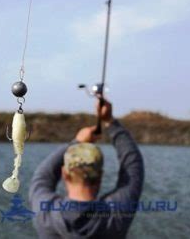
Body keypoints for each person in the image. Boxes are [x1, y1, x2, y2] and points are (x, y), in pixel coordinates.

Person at [29, 99, 144, 238]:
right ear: (100, 176)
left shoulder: (45, 211)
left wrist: (76, 142)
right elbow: (133, 164)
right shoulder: (115, 214)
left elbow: (42, 175)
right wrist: (110, 121)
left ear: (65, 174)